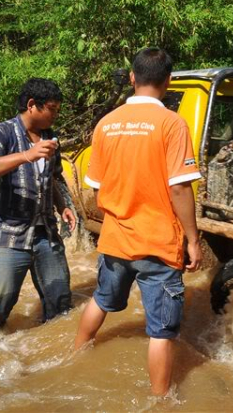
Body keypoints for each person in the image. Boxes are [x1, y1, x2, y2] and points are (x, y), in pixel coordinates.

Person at [73, 48, 202, 395]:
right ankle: (161, 400)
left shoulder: (106, 124)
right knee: (161, 332)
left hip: (115, 239)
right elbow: (179, 188)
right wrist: (192, 238)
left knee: (101, 299)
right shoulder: (172, 124)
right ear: (168, 81)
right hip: (157, 243)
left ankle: (75, 355)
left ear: (132, 78)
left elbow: (96, 192)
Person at [0, 77, 77, 338]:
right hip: (8, 235)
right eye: (52, 108)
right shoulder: (1, 132)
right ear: (32, 105)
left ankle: (49, 355)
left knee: (60, 302)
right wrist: (25, 155)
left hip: (45, 234)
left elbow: (51, 178)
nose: (55, 115)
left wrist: (62, 206)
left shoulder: (50, 138)